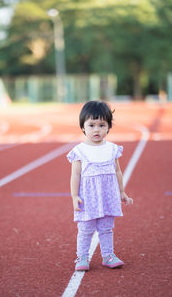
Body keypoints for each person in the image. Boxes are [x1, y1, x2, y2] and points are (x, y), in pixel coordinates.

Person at [67, 100, 133, 271]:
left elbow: (117, 171)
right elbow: (75, 175)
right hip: (88, 197)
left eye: (102, 125)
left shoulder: (112, 149)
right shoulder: (79, 151)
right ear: (83, 127)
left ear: (108, 127)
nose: (96, 129)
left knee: (106, 228)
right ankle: (82, 257)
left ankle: (108, 255)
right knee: (86, 229)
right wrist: (74, 196)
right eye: (91, 125)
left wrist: (122, 192)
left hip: (108, 196)